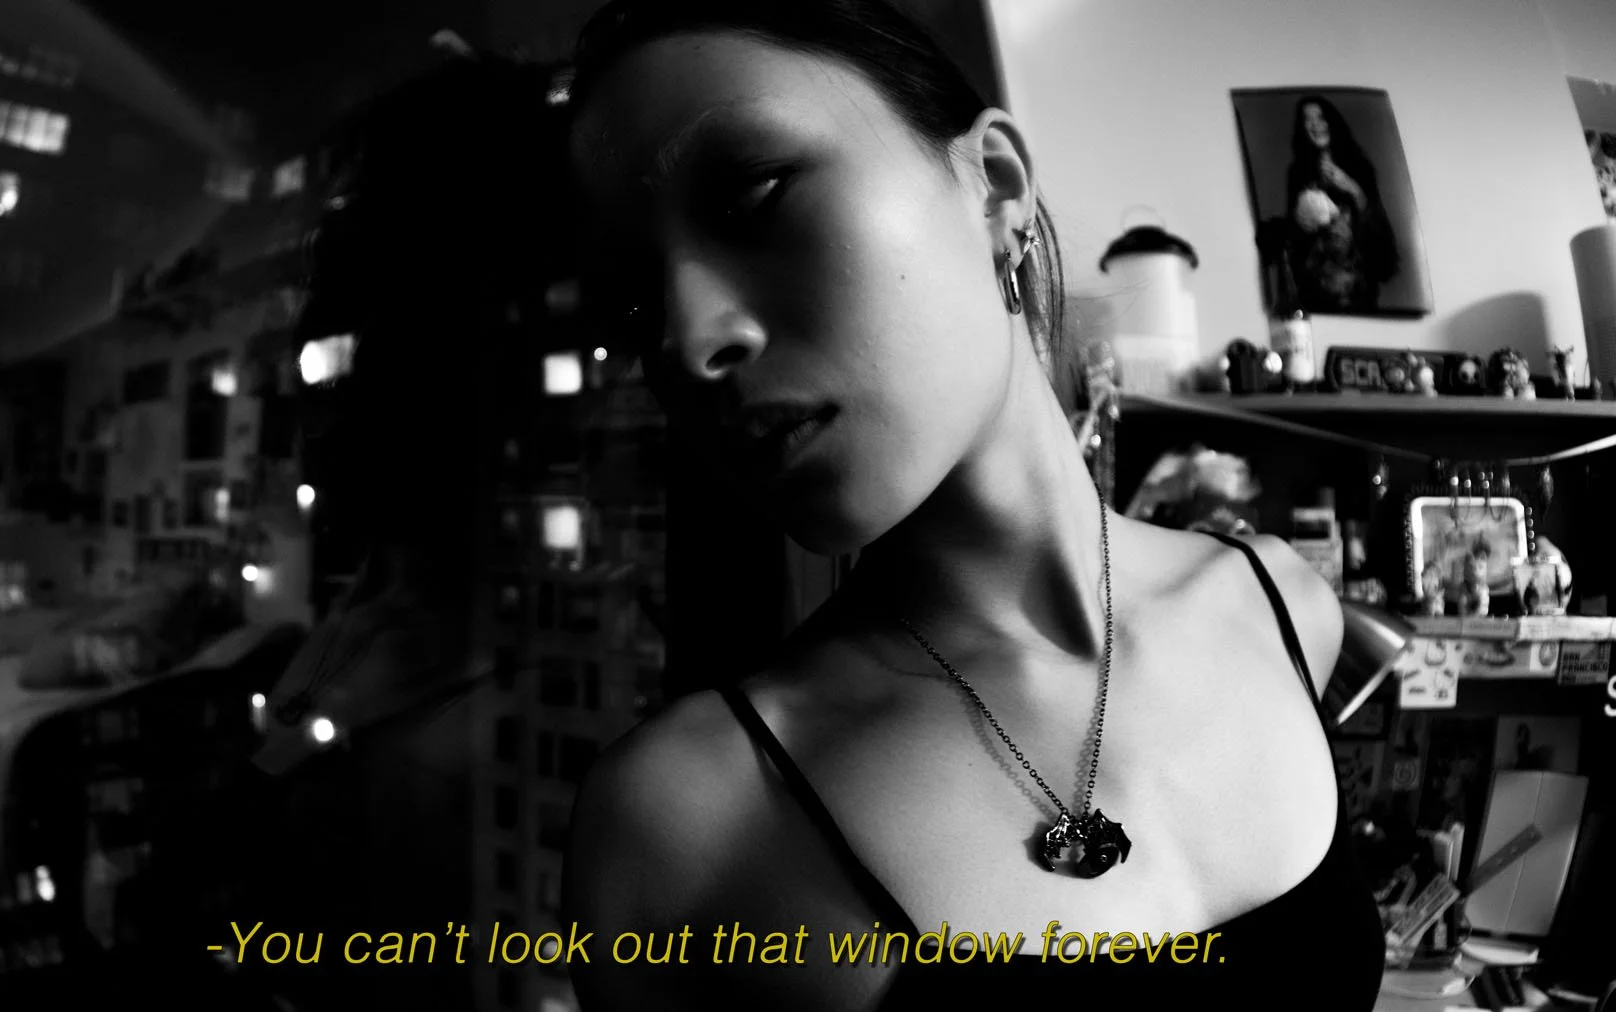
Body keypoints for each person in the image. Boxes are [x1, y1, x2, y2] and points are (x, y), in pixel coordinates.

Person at [561, 1, 1385, 1009]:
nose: (691, 340)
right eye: (637, 301)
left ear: (992, 183)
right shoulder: (689, 821)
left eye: (757, 194)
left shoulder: (1283, 604)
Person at [1283, 95, 1400, 312]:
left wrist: (1352, 188)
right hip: (1314, 286)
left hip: (1356, 285)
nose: (1315, 125)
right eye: (1307, 119)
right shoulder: (1297, 173)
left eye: (1321, 117)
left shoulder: (1360, 167)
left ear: (1333, 121)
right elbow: (1292, 239)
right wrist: (1300, 222)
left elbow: (1378, 230)